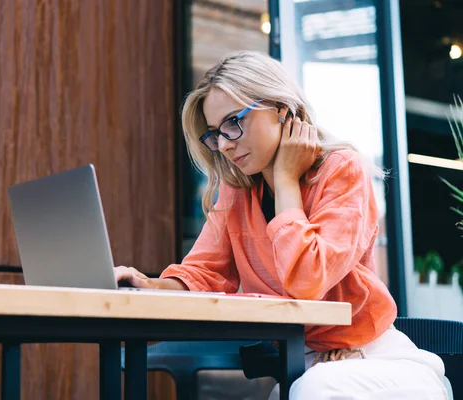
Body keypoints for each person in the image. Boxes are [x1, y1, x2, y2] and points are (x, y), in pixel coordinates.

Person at [114, 50, 448, 399]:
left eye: (233, 122)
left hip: (377, 362)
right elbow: (203, 277)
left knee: (312, 391)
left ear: (282, 110)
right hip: (305, 366)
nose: (225, 145)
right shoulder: (238, 191)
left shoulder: (341, 171)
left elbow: (307, 280)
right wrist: (147, 286)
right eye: (215, 134)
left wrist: (287, 179)